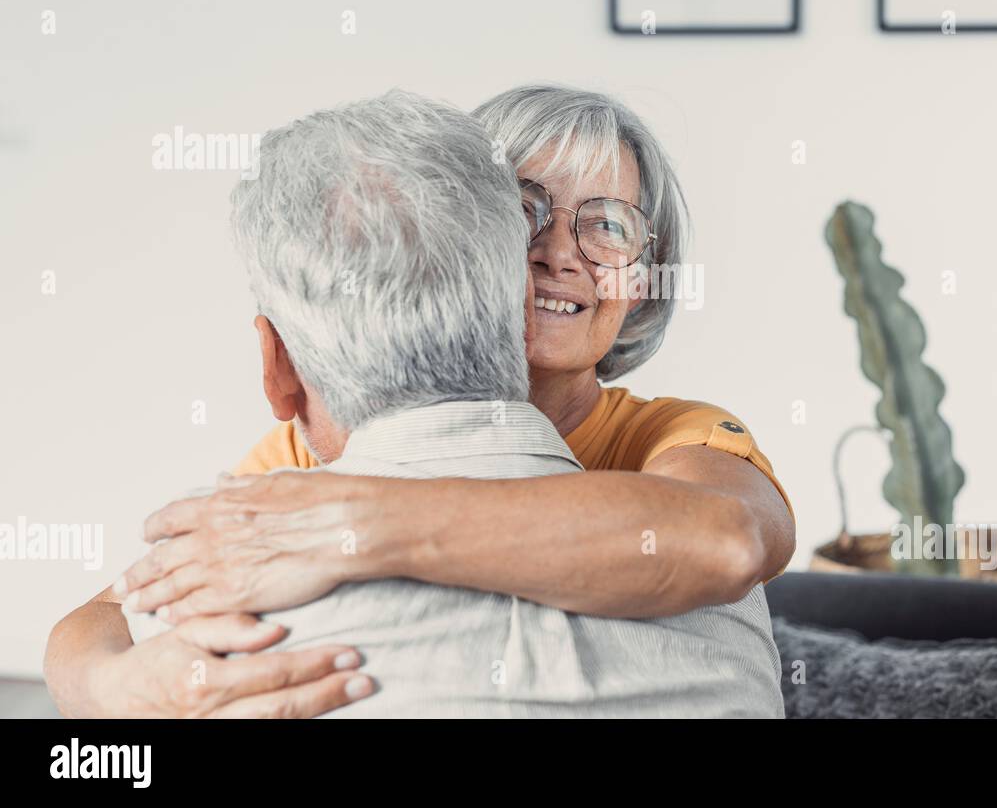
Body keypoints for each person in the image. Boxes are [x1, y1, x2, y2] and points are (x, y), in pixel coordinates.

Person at [45, 86, 796, 717]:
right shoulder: (308, 443)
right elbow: (106, 616)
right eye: (526, 210)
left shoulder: (675, 436)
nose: (560, 254)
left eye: (606, 227)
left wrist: (352, 522)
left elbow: (726, 541)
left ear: (643, 278)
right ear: (453, 232)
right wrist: (115, 684)